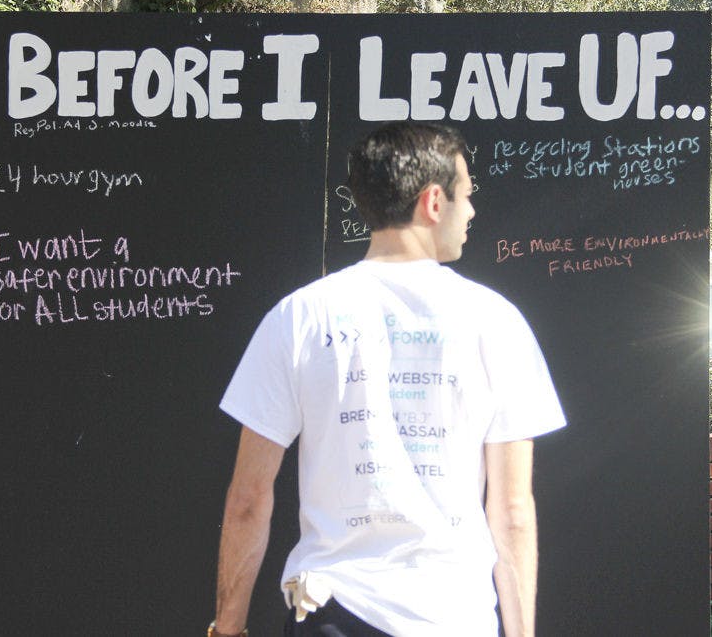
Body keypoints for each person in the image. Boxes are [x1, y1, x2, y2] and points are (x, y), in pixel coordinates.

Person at [211, 122, 566, 637]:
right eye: (467, 195)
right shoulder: (496, 321)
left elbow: (248, 498)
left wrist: (227, 630)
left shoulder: (300, 317)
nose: (471, 211)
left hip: (333, 612)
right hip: (455, 619)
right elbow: (511, 511)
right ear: (434, 202)